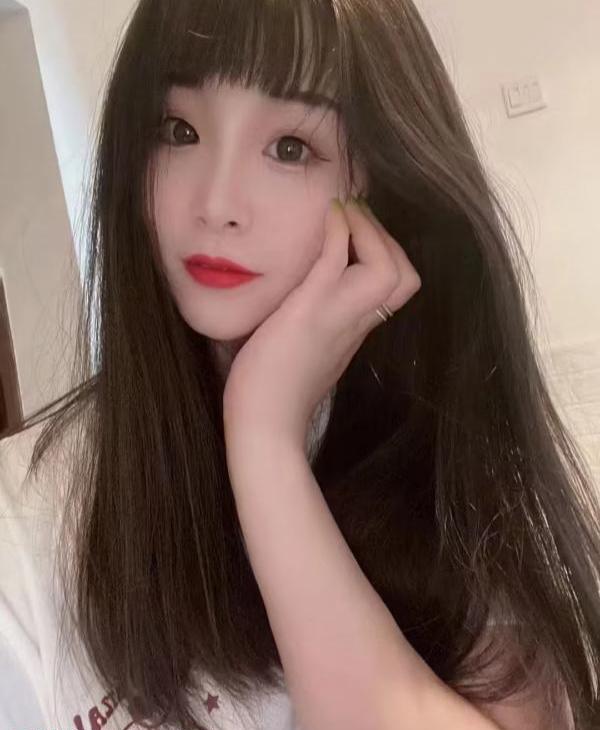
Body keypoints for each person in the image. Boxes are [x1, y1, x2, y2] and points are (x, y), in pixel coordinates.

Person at [0, 0, 596, 728]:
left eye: (289, 147)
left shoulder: (447, 455)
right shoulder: (22, 525)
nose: (217, 204)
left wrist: (264, 441)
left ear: (373, 182)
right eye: (178, 130)